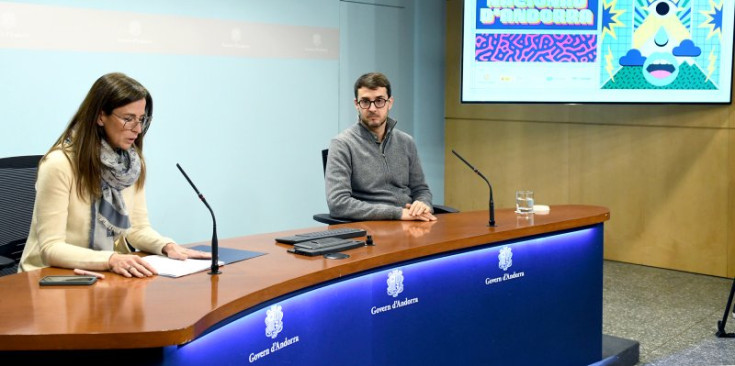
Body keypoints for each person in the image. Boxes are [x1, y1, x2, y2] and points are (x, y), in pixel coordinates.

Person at [19, 72, 209, 278]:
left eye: (141, 119)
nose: (137, 129)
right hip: (49, 278)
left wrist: (166, 245)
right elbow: (51, 248)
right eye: (128, 119)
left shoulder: (130, 166)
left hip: (102, 274)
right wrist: (110, 259)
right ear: (101, 116)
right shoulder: (59, 165)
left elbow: (136, 229)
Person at [325, 72, 436, 222]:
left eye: (379, 101)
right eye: (365, 101)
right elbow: (338, 203)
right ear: (356, 104)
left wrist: (422, 205)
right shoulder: (342, 144)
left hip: (411, 223)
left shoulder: (406, 141)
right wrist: (397, 213)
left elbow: (421, 190)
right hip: (371, 228)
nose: (372, 108)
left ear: (390, 102)